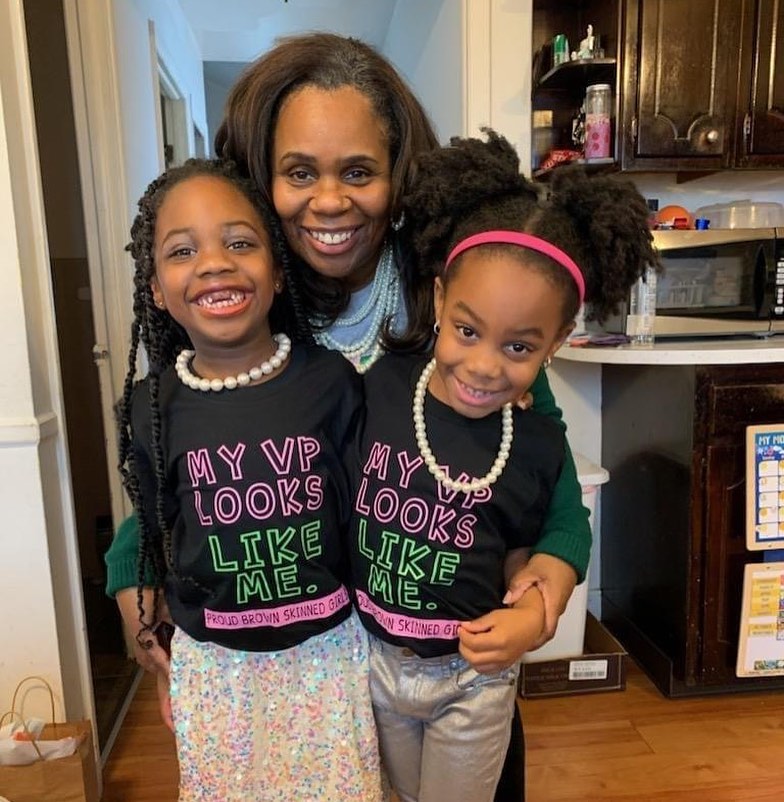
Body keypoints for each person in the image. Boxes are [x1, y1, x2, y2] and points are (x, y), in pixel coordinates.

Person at [104, 32, 593, 799]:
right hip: (298, 685)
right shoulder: (233, 310)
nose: (329, 201)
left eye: (358, 171)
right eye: (299, 171)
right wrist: (142, 599)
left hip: (445, 668)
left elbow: (548, 484)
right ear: (262, 181)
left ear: (397, 178)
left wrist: (550, 583)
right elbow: (178, 472)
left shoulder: (467, 310)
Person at [349, 129, 657, 802]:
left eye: (518, 346)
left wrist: (540, 596)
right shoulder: (381, 387)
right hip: (374, 659)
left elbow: (540, 526)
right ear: (438, 298)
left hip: (471, 674)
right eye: (468, 331)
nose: (486, 365)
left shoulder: (535, 439)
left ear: (556, 343)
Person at [117, 157, 384, 802]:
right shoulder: (151, 407)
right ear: (155, 286)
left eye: (240, 243)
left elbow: (366, 516)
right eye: (182, 251)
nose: (214, 263)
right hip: (216, 672)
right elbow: (155, 532)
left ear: (275, 267)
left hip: (326, 657)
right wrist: (154, 646)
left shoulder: (332, 383)